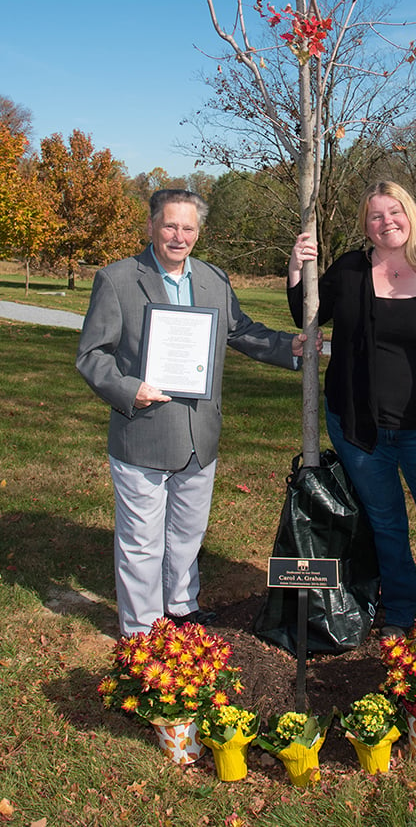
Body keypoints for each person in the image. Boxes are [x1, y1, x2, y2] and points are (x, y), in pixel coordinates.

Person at [77, 188, 309, 636]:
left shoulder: (213, 280)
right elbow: (92, 355)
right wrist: (129, 389)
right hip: (142, 429)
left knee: (186, 533)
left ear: (198, 232)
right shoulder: (118, 279)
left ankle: (181, 607)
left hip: (199, 435)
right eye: (169, 225)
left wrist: (290, 347)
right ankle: (142, 630)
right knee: (142, 542)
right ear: (150, 227)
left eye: (188, 227)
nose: (178, 236)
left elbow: (241, 331)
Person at [287, 180, 416, 637]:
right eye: (375, 216)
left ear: (410, 214)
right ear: (366, 225)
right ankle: (398, 610)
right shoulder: (351, 269)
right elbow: (306, 314)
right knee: (387, 522)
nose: (386, 222)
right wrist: (297, 267)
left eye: (394, 212)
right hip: (359, 427)